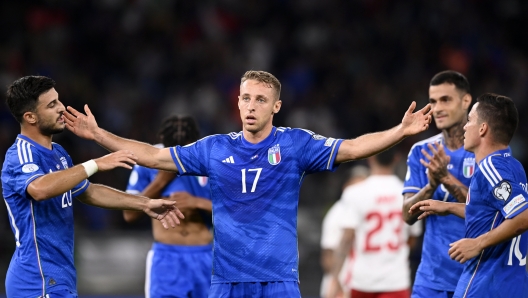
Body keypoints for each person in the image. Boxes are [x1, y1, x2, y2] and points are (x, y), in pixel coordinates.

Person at [64, 70, 432, 297]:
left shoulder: (294, 144)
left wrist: (401, 130)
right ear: (237, 103)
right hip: (226, 280)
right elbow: (152, 155)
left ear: (276, 106)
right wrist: (98, 135)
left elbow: (352, 149)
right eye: (245, 98)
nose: (251, 105)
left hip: (278, 280)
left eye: (260, 99)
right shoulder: (214, 148)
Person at [1, 76, 182, 298]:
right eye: (51, 105)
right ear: (30, 117)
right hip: (36, 278)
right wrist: (96, 164)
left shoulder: (57, 153)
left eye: (58, 100)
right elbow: (39, 189)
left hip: (59, 275)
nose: (61, 108)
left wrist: (144, 203)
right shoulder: (21, 154)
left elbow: (89, 192)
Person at [409, 93, 528, 297]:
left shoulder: (491, 167)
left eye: (470, 120)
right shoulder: (514, 166)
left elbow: (523, 216)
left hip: (484, 283)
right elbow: (496, 216)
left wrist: (477, 244)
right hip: (513, 284)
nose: (465, 126)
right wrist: (448, 207)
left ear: (483, 129)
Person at [401, 70, 474, 298]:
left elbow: (488, 211)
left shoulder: (486, 151)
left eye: (445, 99)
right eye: (433, 101)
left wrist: (446, 179)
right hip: (431, 280)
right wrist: (431, 186)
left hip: (475, 275)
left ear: (465, 101)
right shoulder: (421, 152)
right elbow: (407, 214)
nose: (438, 108)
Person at [123, 115, 213, 298]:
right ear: (163, 143)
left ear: (194, 142)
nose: (179, 155)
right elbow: (128, 215)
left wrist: (197, 202)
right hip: (167, 258)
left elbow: (234, 211)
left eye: (184, 148)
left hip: (206, 256)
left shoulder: (209, 160)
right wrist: (161, 181)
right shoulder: (148, 161)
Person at [326, 148, 422, 298]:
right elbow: (412, 240)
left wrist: (335, 277)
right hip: (395, 279)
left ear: (369, 158)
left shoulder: (354, 192)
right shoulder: (409, 194)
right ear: (397, 158)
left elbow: (346, 239)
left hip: (362, 279)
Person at [320, 165, 370, 298]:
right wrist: (338, 285)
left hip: (361, 284)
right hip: (340, 288)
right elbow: (327, 257)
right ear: (346, 187)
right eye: (356, 186)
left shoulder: (368, 210)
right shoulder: (337, 213)